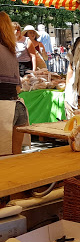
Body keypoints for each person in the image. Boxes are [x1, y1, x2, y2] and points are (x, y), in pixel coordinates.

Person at [0, 12, 29, 155]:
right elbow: (18, 88)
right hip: (17, 107)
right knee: (16, 157)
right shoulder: (10, 50)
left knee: (4, 160)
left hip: (3, 110)